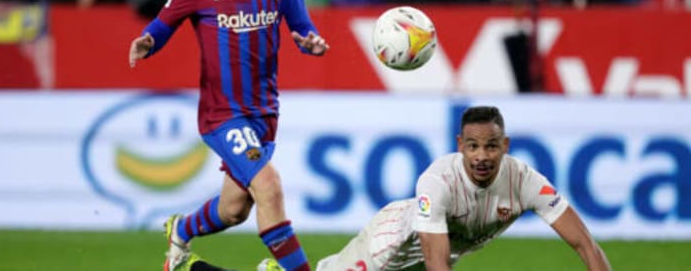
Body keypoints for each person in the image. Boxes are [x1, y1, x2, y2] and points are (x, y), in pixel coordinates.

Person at [127, 0, 329, 271]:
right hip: (223, 114)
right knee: (268, 187)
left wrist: (311, 42)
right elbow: (166, 20)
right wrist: (148, 41)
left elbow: (302, 28)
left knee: (234, 209)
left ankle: (181, 230)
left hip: (264, 112)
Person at [258, 106, 611, 271]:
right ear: (460, 145)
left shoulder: (526, 182)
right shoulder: (437, 182)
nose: (482, 156)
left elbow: (585, 244)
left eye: (491, 146)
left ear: (505, 145)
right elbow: (436, 259)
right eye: (473, 146)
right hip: (392, 246)